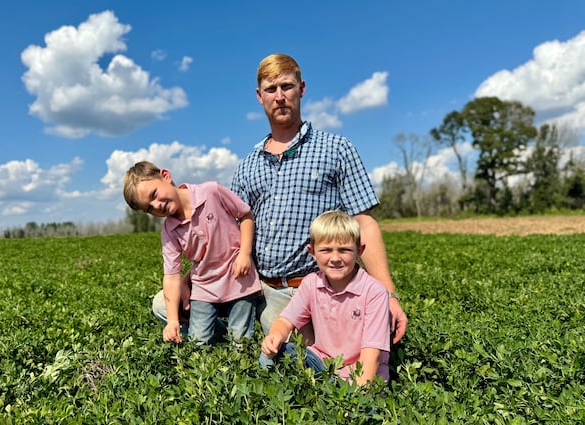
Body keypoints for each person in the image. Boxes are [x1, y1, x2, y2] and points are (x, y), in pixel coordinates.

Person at [230, 53, 407, 344]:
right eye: (271, 90)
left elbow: (364, 221)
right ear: (259, 96)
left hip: (322, 284)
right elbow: (229, 234)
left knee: (328, 362)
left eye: (287, 86)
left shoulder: (336, 149)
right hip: (264, 287)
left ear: (301, 88)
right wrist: (189, 280)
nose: (280, 96)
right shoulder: (247, 165)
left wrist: (387, 293)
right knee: (166, 305)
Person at [124, 161, 261, 344]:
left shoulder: (211, 192)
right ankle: (218, 350)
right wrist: (172, 321)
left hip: (238, 279)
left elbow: (245, 215)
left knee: (240, 342)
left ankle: (237, 355)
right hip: (204, 287)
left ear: (165, 176)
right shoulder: (169, 230)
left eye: (154, 194)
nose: (157, 206)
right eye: (149, 208)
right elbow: (171, 276)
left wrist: (245, 253)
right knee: (199, 342)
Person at [260, 210, 390, 384]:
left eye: (344, 250)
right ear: (312, 252)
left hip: (360, 377)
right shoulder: (311, 283)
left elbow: (371, 357)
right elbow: (285, 321)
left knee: (368, 409)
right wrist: (274, 336)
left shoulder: (374, 292)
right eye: (326, 250)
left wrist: (356, 400)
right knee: (280, 352)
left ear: (359, 251)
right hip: (321, 364)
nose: (335, 258)